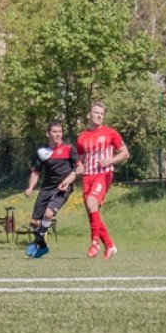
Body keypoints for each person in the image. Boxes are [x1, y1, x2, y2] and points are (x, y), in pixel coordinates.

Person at [76, 102, 130, 259]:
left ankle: (95, 244)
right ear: (89, 115)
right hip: (87, 177)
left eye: (101, 114)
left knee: (92, 202)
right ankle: (110, 246)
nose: (99, 116)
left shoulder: (110, 133)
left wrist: (110, 161)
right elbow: (79, 158)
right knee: (92, 212)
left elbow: (125, 153)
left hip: (104, 174)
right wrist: (79, 166)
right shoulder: (82, 138)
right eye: (96, 113)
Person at [24, 121, 81, 259]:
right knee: (34, 222)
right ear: (47, 133)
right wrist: (31, 187)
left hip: (63, 188)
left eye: (60, 131)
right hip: (46, 188)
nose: (58, 135)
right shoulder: (42, 152)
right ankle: (43, 247)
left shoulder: (69, 148)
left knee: (48, 215)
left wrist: (67, 181)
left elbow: (79, 168)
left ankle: (35, 242)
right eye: (54, 132)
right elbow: (36, 172)